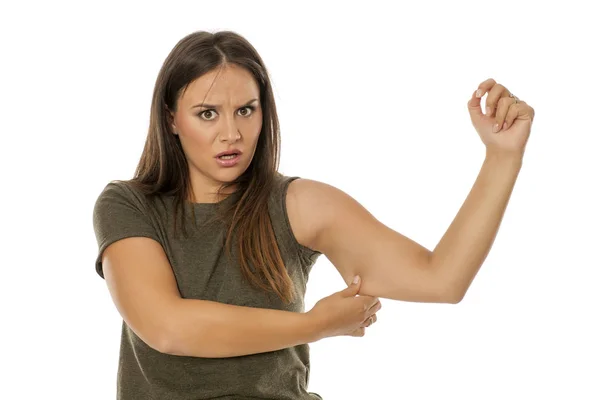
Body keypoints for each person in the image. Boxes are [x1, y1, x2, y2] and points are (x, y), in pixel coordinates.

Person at [92, 30, 535, 400]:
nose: (232, 133)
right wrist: (316, 326)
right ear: (171, 119)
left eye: (246, 110)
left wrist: (502, 157)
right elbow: (167, 328)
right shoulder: (128, 205)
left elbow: (442, 280)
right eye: (207, 114)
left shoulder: (297, 204)